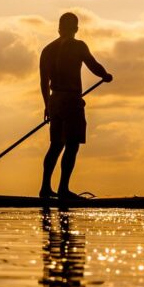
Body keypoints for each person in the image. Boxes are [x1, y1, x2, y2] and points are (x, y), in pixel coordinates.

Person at [39, 12, 111, 200]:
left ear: (59, 28)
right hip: (71, 100)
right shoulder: (78, 46)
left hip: (54, 100)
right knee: (71, 145)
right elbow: (93, 65)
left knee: (56, 145)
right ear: (76, 29)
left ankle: (45, 188)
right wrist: (106, 75)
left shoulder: (47, 50)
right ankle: (63, 189)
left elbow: (43, 82)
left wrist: (48, 105)